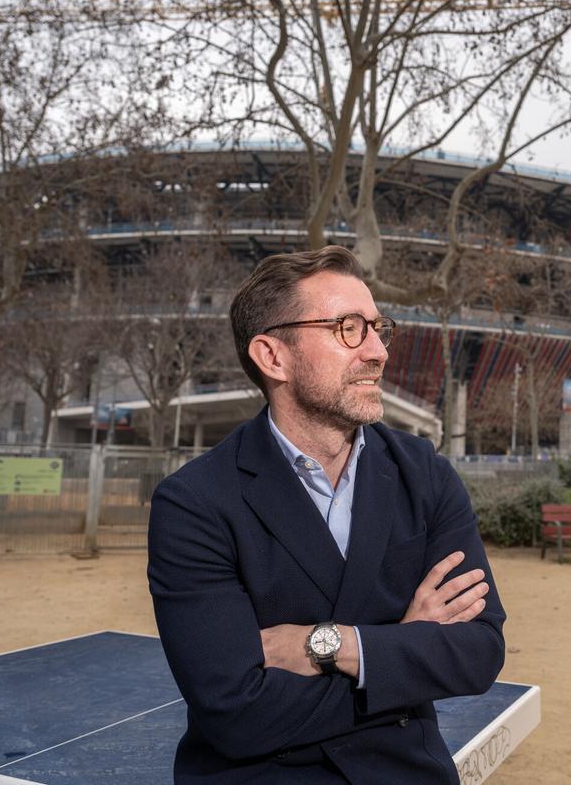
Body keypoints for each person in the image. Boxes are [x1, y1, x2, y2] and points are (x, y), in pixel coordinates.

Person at [148, 246, 505, 784]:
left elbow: (478, 651)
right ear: (273, 357)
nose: (379, 351)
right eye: (348, 327)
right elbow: (236, 715)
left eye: (379, 327)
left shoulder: (424, 474)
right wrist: (400, 648)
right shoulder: (195, 502)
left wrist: (332, 643)